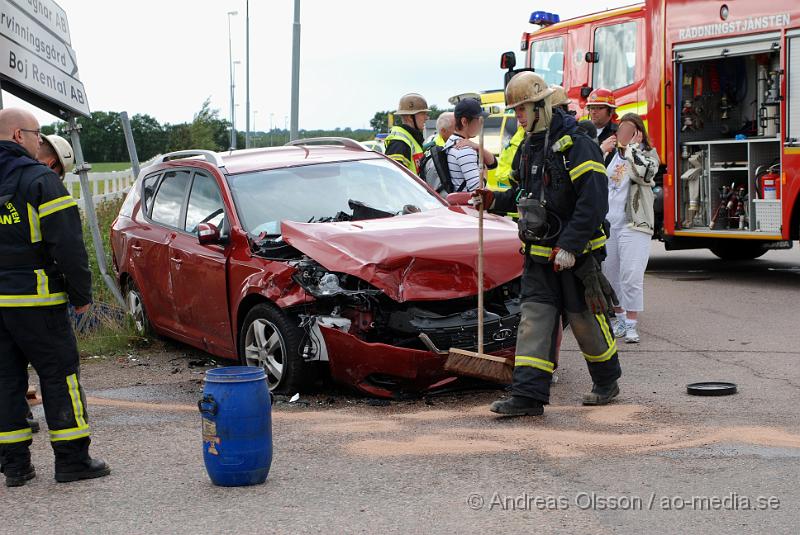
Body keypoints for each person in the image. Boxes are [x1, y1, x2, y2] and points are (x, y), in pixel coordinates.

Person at [473, 72, 621, 417]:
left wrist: (570, 246)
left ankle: (607, 380)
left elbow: (593, 202)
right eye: (516, 111)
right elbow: (525, 196)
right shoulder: (527, 147)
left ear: (542, 107)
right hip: (539, 256)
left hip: (577, 256)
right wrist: (492, 200)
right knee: (534, 322)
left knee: (584, 321)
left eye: (522, 110)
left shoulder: (577, 145)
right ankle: (527, 396)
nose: (518, 117)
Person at [0, 108, 109, 486]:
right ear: (18, 135)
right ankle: (72, 460)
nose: (38, 140)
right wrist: (81, 294)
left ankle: (15, 467)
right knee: (59, 375)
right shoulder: (40, 180)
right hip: (36, 300)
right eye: (35, 133)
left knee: (4, 381)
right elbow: (67, 243)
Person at [601, 113, 659, 343]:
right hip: (610, 223)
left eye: (629, 130)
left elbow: (645, 174)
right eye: (620, 130)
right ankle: (620, 318)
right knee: (610, 274)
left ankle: (632, 323)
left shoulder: (647, 154)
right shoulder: (611, 156)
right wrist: (601, 150)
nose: (623, 134)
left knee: (631, 275)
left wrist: (632, 149)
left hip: (635, 224)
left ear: (638, 133)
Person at [443, 98, 497, 192]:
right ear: (464, 121)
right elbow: (476, 189)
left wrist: (476, 146)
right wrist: (484, 173)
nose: (480, 124)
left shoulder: (451, 141)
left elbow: (493, 163)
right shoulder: (465, 150)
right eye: (478, 120)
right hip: (468, 205)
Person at [384, 93, 430, 174]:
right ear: (410, 117)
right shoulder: (399, 143)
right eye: (423, 114)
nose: (427, 118)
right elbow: (393, 178)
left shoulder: (411, 139)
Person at [586, 88, 618, 164]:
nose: (593, 112)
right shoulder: (582, 131)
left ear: (611, 111)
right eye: (591, 108)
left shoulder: (618, 133)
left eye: (599, 108)